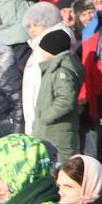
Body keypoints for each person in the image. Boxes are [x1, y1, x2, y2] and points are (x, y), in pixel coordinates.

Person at [30, 28, 82, 160]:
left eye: (43, 47)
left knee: (59, 167)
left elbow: (66, 100)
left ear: (52, 49)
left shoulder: (61, 71)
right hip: (50, 131)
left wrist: (45, 117)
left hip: (57, 132)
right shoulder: (53, 68)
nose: (40, 51)